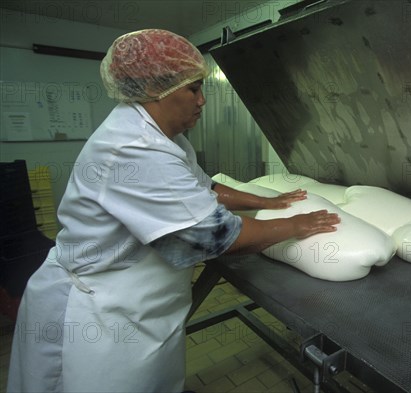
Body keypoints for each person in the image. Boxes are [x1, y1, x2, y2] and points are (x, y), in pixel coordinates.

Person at [6, 29, 340, 393]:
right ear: (154, 90)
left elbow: (205, 188)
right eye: (193, 89)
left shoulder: (164, 136)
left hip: (143, 306)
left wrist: (265, 201)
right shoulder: (134, 149)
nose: (203, 101)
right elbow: (221, 237)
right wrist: (295, 223)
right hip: (98, 316)